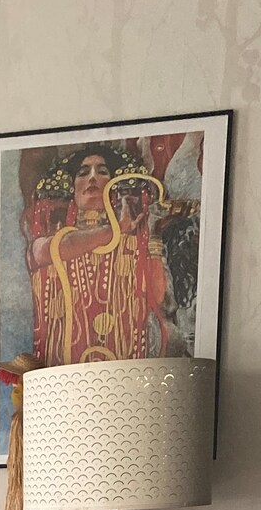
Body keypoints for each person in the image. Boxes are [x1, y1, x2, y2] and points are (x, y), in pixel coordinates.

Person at [22, 143, 187, 365]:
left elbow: (158, 300)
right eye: (83, 172)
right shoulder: (50, 241)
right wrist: (115, 230)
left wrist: (154, 233)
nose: (92, 178)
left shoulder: (132, 242)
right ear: (72, 188)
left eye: (102, 171)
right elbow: (49, 251)